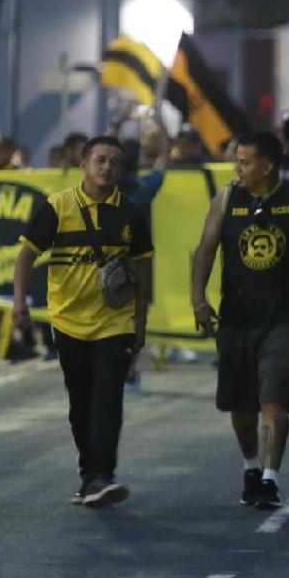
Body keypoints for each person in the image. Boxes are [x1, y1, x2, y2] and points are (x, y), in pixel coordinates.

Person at [191, 132, 289, 509]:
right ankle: (250, 468)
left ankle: (270, 479)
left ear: (267, 166)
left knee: (275, 405)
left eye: (243, 162)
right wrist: (199, 300)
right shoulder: (226, 198)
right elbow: (205, 251)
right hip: (236, 319)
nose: (236, 169)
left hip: (283, 320)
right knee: (242, 412)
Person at [12, 136, 153, 508]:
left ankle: (102, 476)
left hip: (115, 323)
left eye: (114, 163)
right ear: (84, 165)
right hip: (69, 321)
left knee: (108, 397)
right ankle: (89, 474)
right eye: (100, 160)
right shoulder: (57, 208)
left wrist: (140, 322)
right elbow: (26, 255)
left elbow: (142, 267)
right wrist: (18, 303)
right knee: (80, 404)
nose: (107, 168)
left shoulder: (131, 212)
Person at [117, 131, 170, 390]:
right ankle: (130, 370)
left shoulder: (99, 187)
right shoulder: (145, 188)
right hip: (139, 263)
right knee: (137, 317)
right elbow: (163, 161)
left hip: (105, 261)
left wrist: (116, 125)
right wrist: (161, 131)